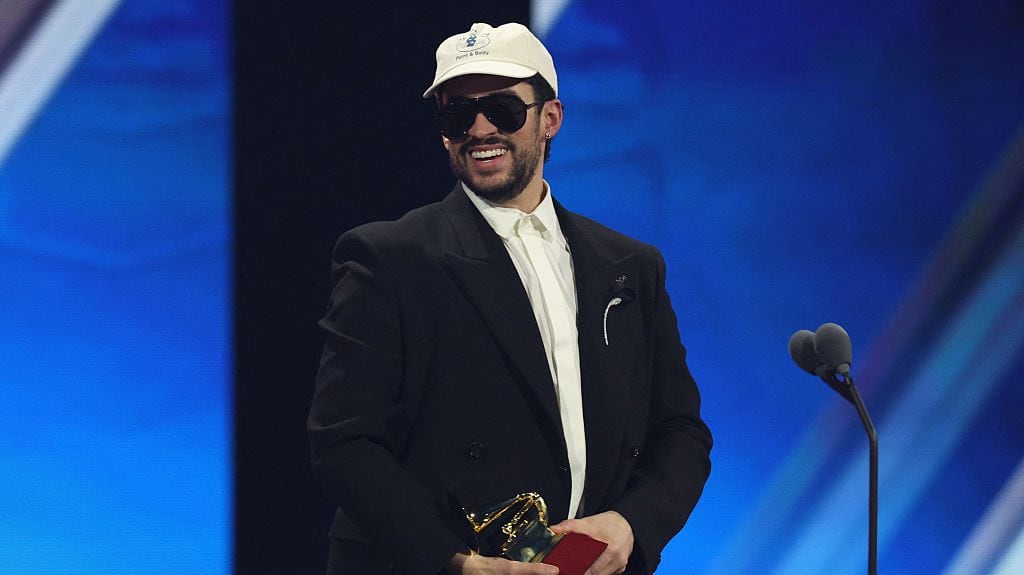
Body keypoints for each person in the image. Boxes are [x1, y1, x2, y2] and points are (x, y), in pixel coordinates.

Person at [308, 22, 712, 575]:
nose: (480, 129)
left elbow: (681, 431)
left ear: (550, 119)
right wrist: (456, 562)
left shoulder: (629, 266)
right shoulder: (390, 258)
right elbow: (345, 443)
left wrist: (631, 524)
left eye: (503, 109)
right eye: (458, 115)